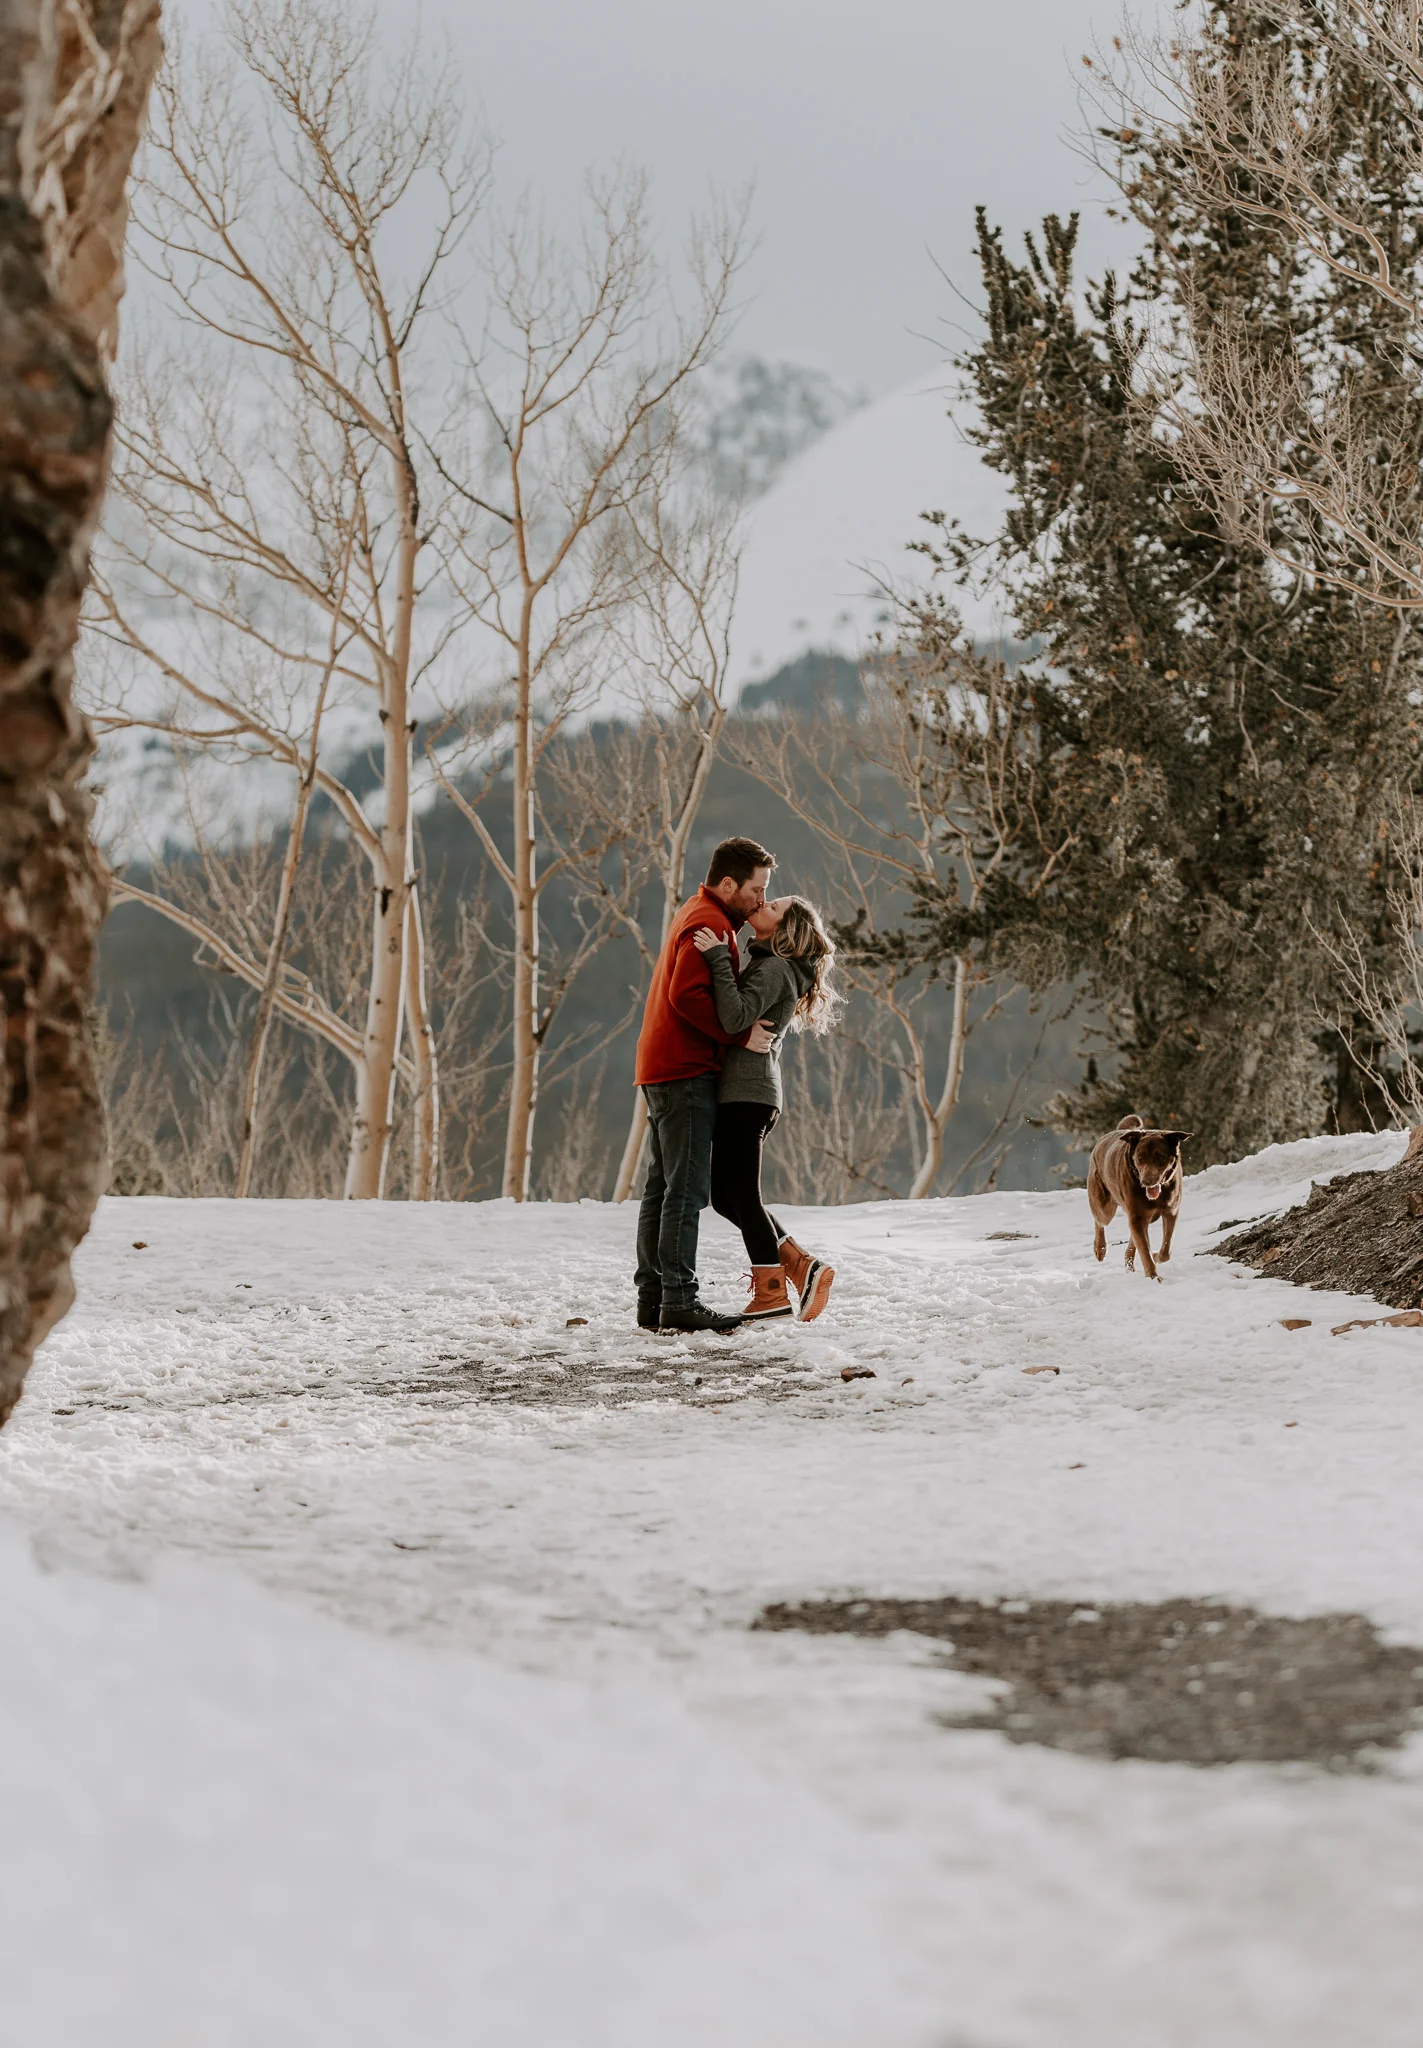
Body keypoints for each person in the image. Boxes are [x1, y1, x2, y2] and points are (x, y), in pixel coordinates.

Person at [632, 837, 778, 1333]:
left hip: (663, 1065)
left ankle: (653, 1298)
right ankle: (679, 1299)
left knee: (662, 1187)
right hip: (685, 1069)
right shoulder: (709, 922)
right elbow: (687, 995)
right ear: (729, 883)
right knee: (687, 1190)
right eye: (757, 890)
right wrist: (739, 1031)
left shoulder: (700, 912)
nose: (761, 900)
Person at [693, 894, 841, 1322]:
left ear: (783, 927)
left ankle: (773, 1292)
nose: (763, 904)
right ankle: (801, 1266)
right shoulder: (767, 963)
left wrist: (720, 957)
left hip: (748, 1092)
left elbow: (735, 1016)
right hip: (747, 1092)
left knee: (740, 1194)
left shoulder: (775, 967)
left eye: (773, 906)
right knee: (724, 1197)